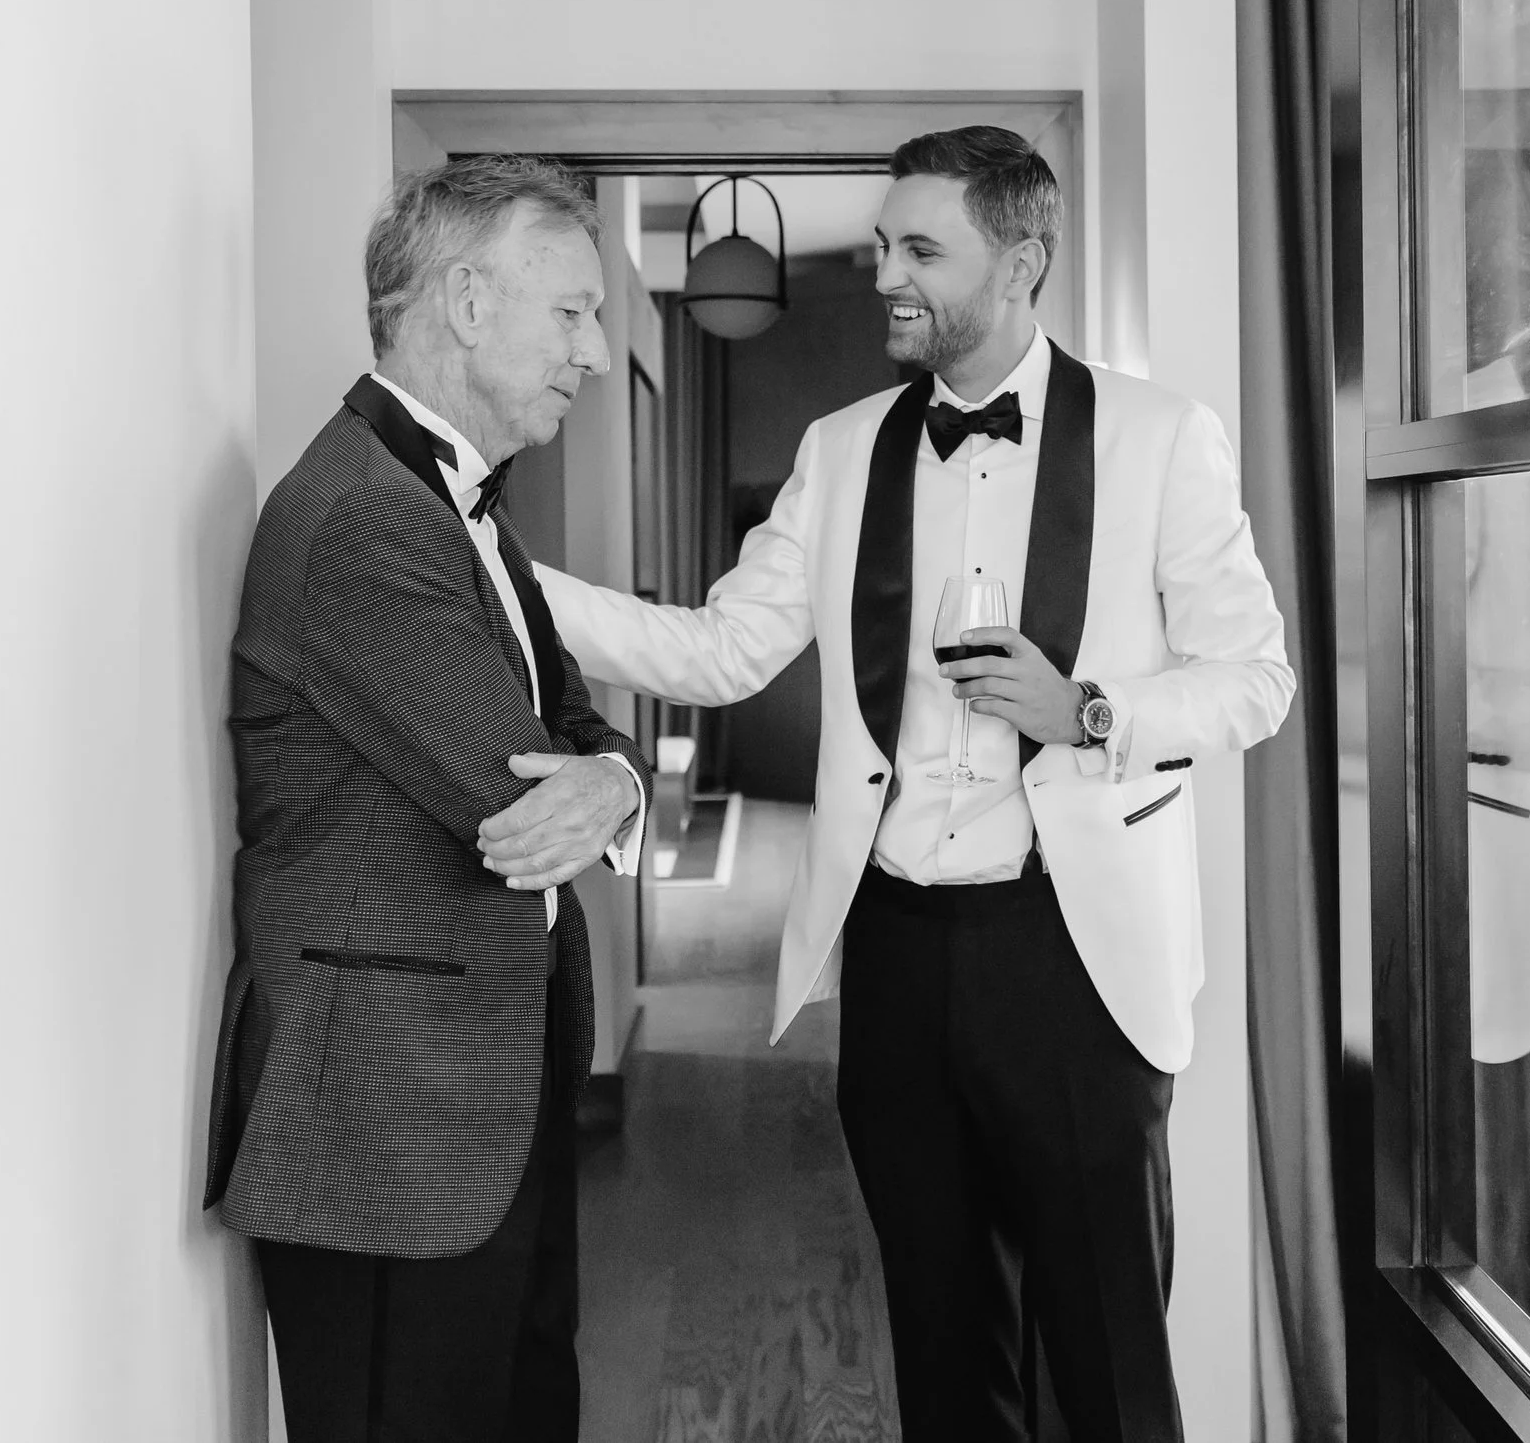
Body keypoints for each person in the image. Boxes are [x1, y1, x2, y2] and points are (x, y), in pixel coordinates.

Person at [536, 126, 1294, 1441]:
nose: (886, 272)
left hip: (1074, 956)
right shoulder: (840, 448)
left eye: (920, 249)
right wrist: (508, 580)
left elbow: (1256, 679)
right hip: (892, 950)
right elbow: (721, 649)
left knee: (1110, 1362)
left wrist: (1088, 709)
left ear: (1021, 263)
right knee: (940, 1348)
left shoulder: (1162, 437)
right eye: (886, 243)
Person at [203, 157, 651, 1442]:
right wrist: (591, 776)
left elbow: (578, 735)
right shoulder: (363, 515)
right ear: (463, 302)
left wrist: (614, 777)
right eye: (570, 311)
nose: (593, 349)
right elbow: (510, 785)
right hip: (387, 1118)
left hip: (485, 1087)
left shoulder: (459, 508)